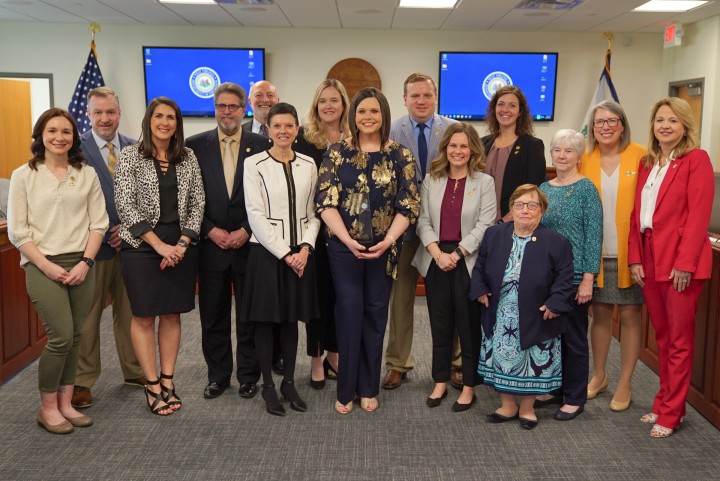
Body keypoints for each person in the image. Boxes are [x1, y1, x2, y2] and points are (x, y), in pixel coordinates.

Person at [316, 87, 419, 414]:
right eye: (362, 112)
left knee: (375, 315)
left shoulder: (400, 154)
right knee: (348, 313)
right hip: (343, 249)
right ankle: (346, 389)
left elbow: (409, 204)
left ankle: (368, 387)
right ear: (353, 115)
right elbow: (325, 201)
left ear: (384, 115)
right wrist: (347, 239)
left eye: (374, 111)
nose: (368, 117)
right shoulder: (336, 152)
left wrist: (388, 240)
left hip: (384, 249)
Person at [7, 108, 108, 433]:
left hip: (81, 265)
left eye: (66, 132)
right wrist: (47, 266)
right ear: (40, 136)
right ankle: (47, 407)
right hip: (42, 265)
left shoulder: (86, 173)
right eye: (52, 131)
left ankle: (66, 403)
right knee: (60, 336)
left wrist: (85, 263)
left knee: (77, 336)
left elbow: (99, 224)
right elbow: (18, 231)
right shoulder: (24, 175)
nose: (59, 137)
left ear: (74, 137)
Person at [628, 97, 714, 438]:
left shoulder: (696, 160)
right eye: (660, 119)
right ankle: (663, 402)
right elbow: (637, 216)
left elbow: (698, 216)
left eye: (673, 121)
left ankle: (672, 412)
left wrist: (685, 264)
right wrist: (635, 256)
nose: (665, 125)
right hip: (649, 257)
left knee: (679, 341)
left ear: (685, 126)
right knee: (662, 337)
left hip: (680, 262)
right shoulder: (649, 162)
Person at [114, 97, 205, 416]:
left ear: (177, 124)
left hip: (181, 249)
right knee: (143, 315)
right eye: (159, 116)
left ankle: (168, 380)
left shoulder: (188, 157)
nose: (165, 122)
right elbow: (126, 206)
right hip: (141, 249)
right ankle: (151, 385)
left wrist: (180, 244)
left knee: (171, 315)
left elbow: (198, 203)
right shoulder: (129, 157)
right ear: (148, 120)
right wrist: (159, 246)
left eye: (171, 117)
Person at [186, 82, 269, 400]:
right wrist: (208, 229)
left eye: (233, 106)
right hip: (211, 246)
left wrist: (248, 229)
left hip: (250, 244)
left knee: (250, 316)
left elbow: (267, 196)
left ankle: (249, 376)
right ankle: (218, 376)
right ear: (215, 108)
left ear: (243, 109)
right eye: (222, 106)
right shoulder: (194, 146)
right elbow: (189, 197)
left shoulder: (262, 144)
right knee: (213, 316)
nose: (227, 112)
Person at [470, 184, 574, 430]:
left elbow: (565, 277)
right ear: (511, 209)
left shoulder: (556, 242)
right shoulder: (495, 234)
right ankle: (508, 406)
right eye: (519, 205)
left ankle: (527, 408)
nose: (525, 210)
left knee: (531, 361)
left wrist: (555, 303)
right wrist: (480, 288)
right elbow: (480, 266)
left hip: (537, 313)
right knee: (502, 360)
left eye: (532, 205)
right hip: (501, 311)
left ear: (542, 211)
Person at [240, 102, 320, 417]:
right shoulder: (254, 163)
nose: (283, 131)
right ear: (268, 130)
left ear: (297, 130)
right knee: (265, 323)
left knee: (290, 321)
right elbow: (255, 215)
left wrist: (304, 249)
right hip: (267, 254)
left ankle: (288, 382)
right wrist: (286, 253)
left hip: (300, 254)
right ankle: (269, 388)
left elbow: (314, 215)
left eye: (289, 126)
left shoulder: (308, 164)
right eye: (277, 126)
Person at [411, 122, 495, 411]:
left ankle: (469, 385)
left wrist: (457, 254)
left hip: (468, 260)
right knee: (440, 322)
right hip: (436, 259)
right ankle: (439, 380)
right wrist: (437, 253)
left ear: (472, 150)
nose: (458, 151)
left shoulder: (484, 182)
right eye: (453, 145)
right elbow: (422, 221)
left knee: (469, 326)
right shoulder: (431, 180)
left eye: (463, 146)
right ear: (445, 148)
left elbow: (486, 224)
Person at [384, 72, 459, 391]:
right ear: (404, 98)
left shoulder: (454, 130)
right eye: (414, 96)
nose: (421, 101)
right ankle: (398, 363)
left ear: (436, 97)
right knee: (400, 299)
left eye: (426, 95)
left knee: (447, 299)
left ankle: (455, 362)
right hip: (401, 229)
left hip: (443, 231)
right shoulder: (391, 129)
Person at [72, 87, 144, 410]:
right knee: (87, 318)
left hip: (129, 247)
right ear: (88, 115)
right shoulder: (75, 148)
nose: (105, 118)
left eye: (110, 112)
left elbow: (145, 195)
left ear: (119, 113)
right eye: (98, 112)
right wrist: (101, 232)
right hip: (92, 248)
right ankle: (82, 381)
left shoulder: (134, 147)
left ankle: (134, 370)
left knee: (130, 313)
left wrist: (127, 230)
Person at [578, 100, 646, 412]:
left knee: (631, 315)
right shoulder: (584, 158)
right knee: (600, 314)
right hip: (595, 250)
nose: (605, 126)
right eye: (599, 122)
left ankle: (625, 381)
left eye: (612, 121)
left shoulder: (642, 155)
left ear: (622, 124)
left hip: (631, 253)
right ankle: (600, 375)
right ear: (592, 128)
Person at [538, 129, 602, 421]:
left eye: (569, 151)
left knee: (574, 337)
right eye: (557, 150)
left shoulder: (587, 188)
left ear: (579, 156)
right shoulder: (544, 188)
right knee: (551, 336)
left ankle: (575, 397)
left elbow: (593, 235)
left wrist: (588, 278)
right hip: (547, 276)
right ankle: (555, 388)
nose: (562, 156)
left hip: (576, 277)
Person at [294, 79, 350, 389]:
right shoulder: (304, 140)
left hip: (347, 233)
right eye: (323, 100)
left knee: (342, 298)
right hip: (313, 231)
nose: (328, 105)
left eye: (334, 100)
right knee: (317, 298)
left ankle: (335, 354)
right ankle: (316, 358)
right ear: (316, 105)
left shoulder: (354, 140)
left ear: (343, 105)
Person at [242, 79, 284, 375]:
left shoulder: (292, 135)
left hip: (277, 238)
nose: (265, 99)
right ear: (250, 100)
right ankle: (247, 370)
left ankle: (278, 359)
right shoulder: (237, 131)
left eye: (270, 95)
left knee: (278, 306)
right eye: (259, 95)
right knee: (247, 310)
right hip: (237, 233)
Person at [482, 85, 546, 223]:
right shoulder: (482, 144)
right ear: (494, 109)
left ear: (520, 112)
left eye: (512, 105)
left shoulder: (532, 146)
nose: (505, 110)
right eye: (501, 104)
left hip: (515, 223)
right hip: (481, 223)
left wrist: (504, 221)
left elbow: (533, 191)